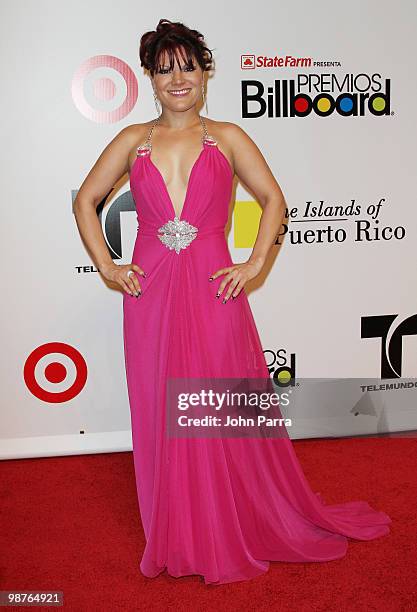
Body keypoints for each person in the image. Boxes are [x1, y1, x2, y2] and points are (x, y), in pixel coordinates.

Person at [73, 18, 391, 585]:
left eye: (188, 67)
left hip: (212, 285)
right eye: (165, 69)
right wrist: (108, 265)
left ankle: (232, 519)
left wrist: (253, 264)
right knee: (159, 407)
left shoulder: (229, 136)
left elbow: (273, 200)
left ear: (205, 72)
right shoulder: (131, 140)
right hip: (148, 293)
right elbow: (87, 201)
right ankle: (178, 526)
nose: (178, 80)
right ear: (150, 77)